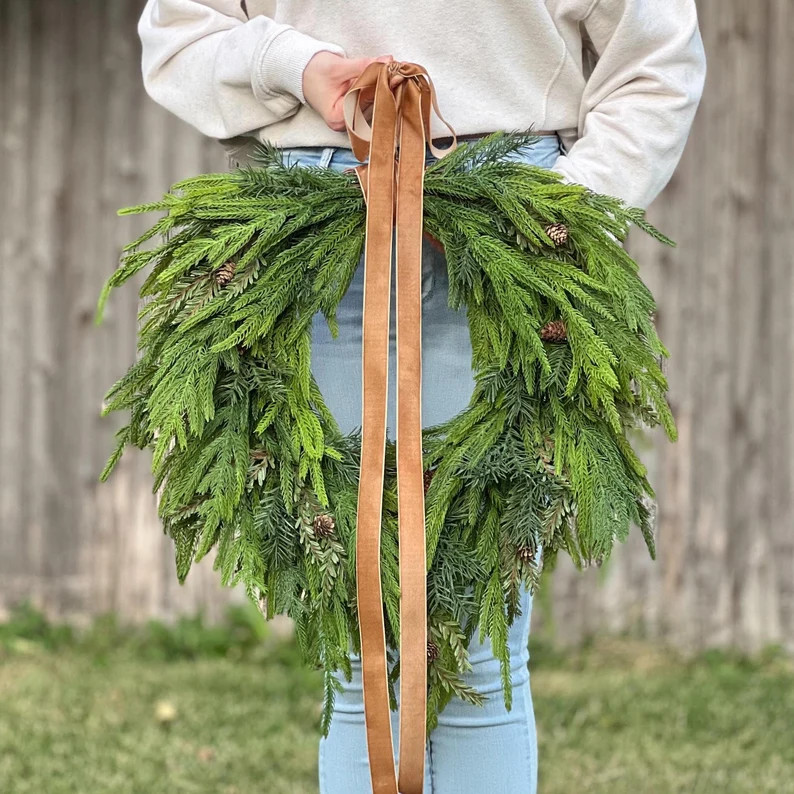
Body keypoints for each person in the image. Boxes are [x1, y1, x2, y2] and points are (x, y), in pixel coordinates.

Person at [137, 2, 706, 791]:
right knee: (360, 646)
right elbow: (179, 32)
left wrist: (569, 205)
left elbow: (655, 58)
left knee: (481, 640)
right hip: (316, 224)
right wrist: (294, 64)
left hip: (514, 220)